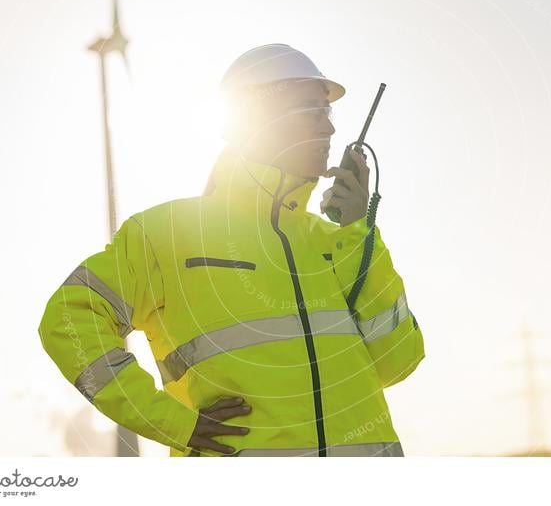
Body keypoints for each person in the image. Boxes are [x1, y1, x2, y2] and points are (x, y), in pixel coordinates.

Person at [38, 43, 425, 457]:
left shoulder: (338, 240)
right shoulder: (166, 233)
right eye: (312, 110)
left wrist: (359, 234)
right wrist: (171, 422)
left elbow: (398, 360)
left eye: (327, 113)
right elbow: (68, 319)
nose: (328, 129)